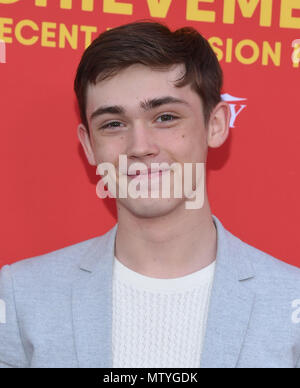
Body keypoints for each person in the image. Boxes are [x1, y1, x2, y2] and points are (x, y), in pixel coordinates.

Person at [0, 21, 300, 369]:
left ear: (215, 125)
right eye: (113, 123)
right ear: (88, 145)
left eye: (166, 117)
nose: (140, 147)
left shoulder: (291, 301)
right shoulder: (21, 296)